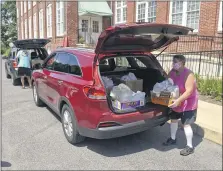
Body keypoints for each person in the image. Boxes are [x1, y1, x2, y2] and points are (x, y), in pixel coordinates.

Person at [163, 55, 198, 156]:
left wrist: (178, 100)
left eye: (176, 62)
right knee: (173, 119)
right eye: (173, 62)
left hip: (188, 102)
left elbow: (189, 91)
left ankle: (189, 146)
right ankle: (173, 139)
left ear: (183, 63)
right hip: (177, 99)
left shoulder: (189, 74)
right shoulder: (173, 71)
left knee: (186, 124)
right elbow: (168, 81)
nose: (174, 64)